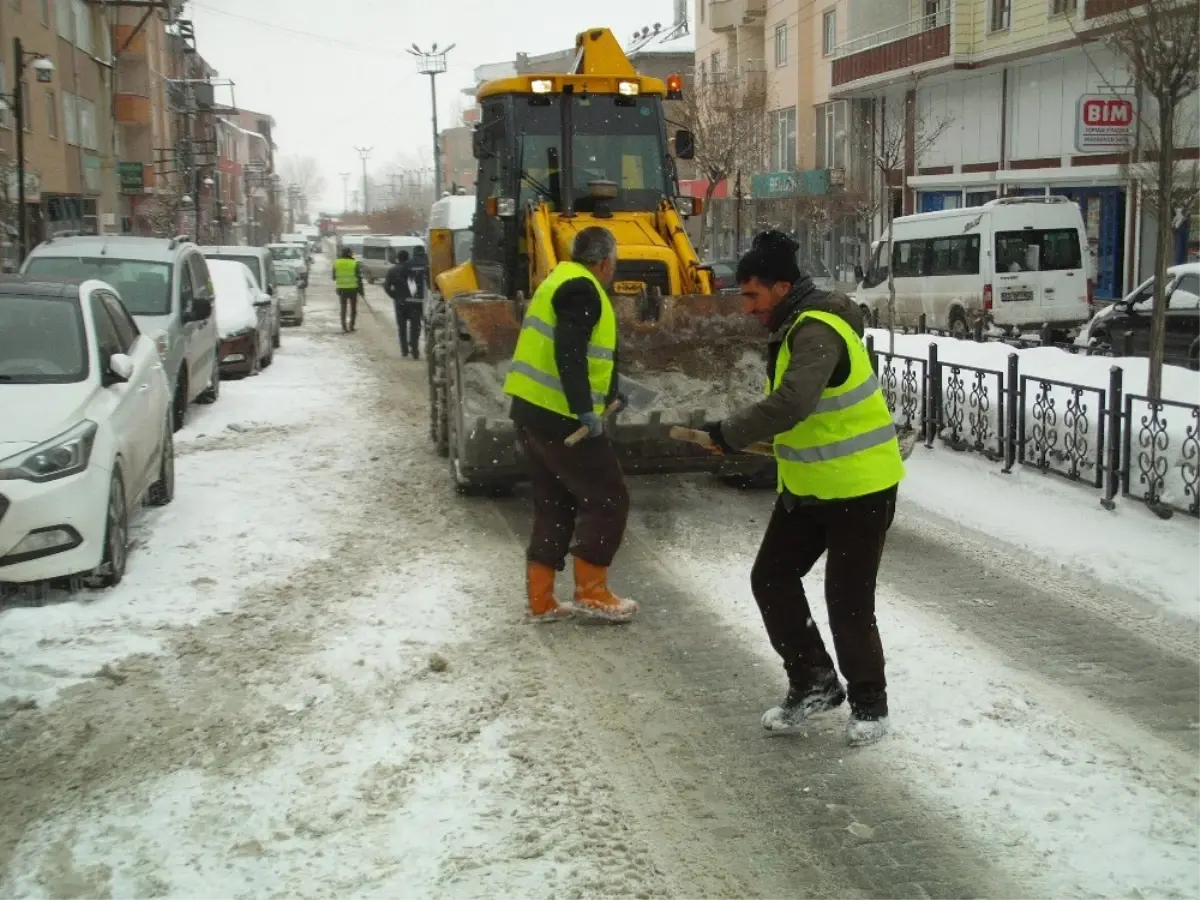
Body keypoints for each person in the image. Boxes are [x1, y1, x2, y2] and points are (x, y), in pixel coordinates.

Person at [701, 231, 905, 747]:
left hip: (861, 487)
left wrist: (731, 432)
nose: (746, 308)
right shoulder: (794, 325)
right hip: (810, 487)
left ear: (782, 287)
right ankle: (814, 681)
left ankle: (870, 703)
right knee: (771, 578)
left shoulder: (816, 331)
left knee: (848, 600)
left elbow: (794, 402)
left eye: (752, 296)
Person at [502, 226, 636, 624]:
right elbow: (569, 353)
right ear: (603, 261)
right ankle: (592, 592)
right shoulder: (583, 289)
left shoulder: (556, 280)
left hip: (532, 413)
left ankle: (541, 600)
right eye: (613, 261)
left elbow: (571, 353)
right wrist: (584, 410)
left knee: (554, 504)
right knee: (609, 499)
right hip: (563, 421)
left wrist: (611, 391)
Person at [384, 249, 424, 359]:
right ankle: (415, 350)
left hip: (400, 302)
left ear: (398, 258)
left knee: (401, 327)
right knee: (415, 326)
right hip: (414, 302)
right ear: (408, 258)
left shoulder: (392, 270)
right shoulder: (413, 269)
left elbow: (386, 287)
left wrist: (394, 296)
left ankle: (404, 350)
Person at [333, 247, 364, 333]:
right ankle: (351, 326)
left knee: (343, 308)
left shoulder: (336, 263)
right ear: (349, 254)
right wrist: (362, 291)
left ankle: (344, 326)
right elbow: (359, 278)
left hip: (342, 289)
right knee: (353, 309)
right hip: (353, 289)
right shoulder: (354, 263)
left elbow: (333, 277)